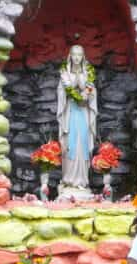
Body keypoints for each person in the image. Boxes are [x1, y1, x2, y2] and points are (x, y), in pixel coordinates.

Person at [56, 44, 97, 196]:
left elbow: (93, 93)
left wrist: (88, 94)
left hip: (84, 114)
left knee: (83, 145)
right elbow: (61, 93)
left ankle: (82, 180)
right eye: (74, 54)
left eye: (80, 55)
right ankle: (69, 180)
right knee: (70, 145)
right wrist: (71, 87)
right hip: (70, 114)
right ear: (70, 56)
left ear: (83, 56)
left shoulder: (88, 74)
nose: (77, 58)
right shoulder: (65, 74)